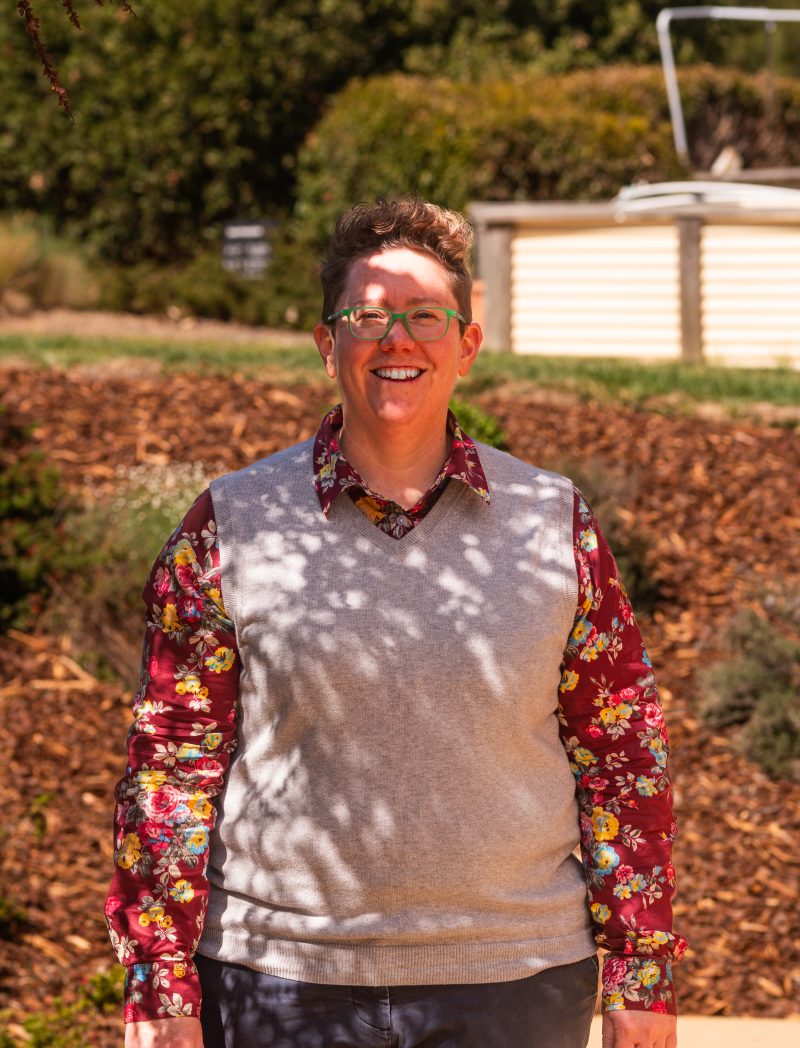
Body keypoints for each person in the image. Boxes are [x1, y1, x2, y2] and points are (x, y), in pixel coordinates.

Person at [106, 197, 686, 1048]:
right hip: (278, 981)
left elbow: (622, 755)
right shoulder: (232, 523)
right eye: (368, 316)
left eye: (424, 316)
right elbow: (171, 768)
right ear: (326, 343)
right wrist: (160, 988)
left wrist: (641, 975)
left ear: (468, 345)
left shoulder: (552, 521)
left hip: (515, 982)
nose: (397, 339)